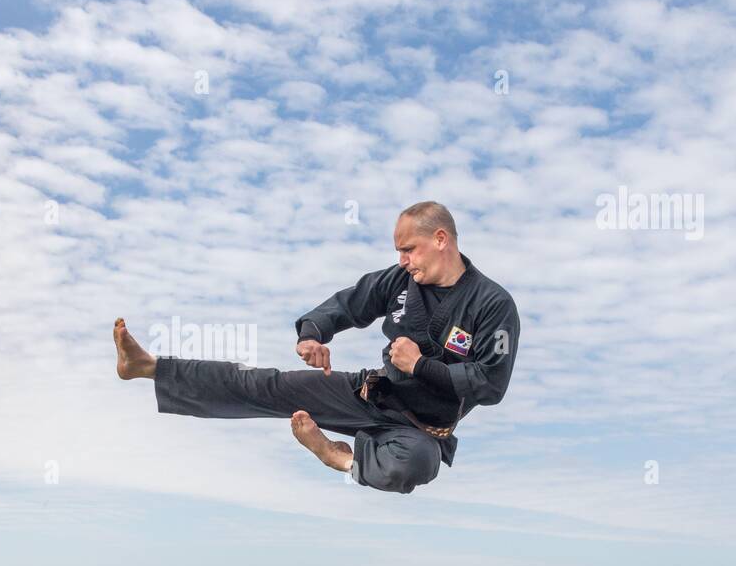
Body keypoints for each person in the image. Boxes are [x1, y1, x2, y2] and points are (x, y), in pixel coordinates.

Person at [113, 201, 521, 494]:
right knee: (264, 385)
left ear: (440, 238)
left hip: (420, 429)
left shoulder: (491, 304)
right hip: (371, 394)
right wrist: (311, 334)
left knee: (417, 465)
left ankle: (337, 458)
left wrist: (420, 367)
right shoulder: (399, 283)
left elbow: (490, 385)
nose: (401, 260)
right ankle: (150, 367)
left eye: (408, 249)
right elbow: (347, 305)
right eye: (398, 251)